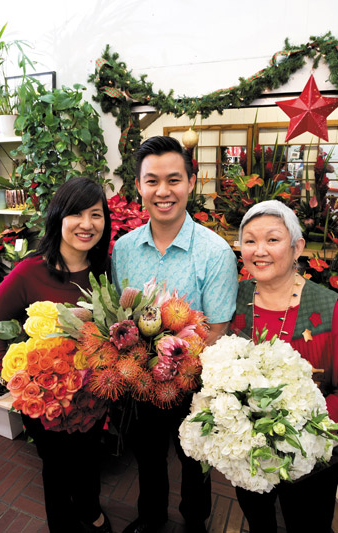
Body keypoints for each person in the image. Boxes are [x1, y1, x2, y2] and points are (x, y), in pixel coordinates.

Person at [112, 136, 238, 533]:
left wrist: (175, 363)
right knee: (148, 458)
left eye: (173, 179)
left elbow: (218, 327)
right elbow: (122, 314)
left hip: (192, 382)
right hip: (139, 381)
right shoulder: (124, 248)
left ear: (191, 183)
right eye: (152, 181)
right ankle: (150, 518)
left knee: (193, 460)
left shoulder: (214, 252)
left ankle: (195, 521)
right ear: (138, 187)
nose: (163, 192)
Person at [232, 200, 338, 533]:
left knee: (308, 525)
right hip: (247, 452)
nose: (260, 250)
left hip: (312, 457)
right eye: (250, 240)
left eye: (273, 239)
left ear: (297, 246)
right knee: (258, 519)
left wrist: (296, 424)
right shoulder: (233, 299)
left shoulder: (329, 311)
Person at [0, 177, 113, 533]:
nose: (87, 224)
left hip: (91, 399)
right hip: (46, 404)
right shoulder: (29, 272)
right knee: (55, 469)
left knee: (88, 460)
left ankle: (90, 508)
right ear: (58, 217)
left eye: (96, 215)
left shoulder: (106, 270)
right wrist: (19, 385)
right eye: (76, 214)